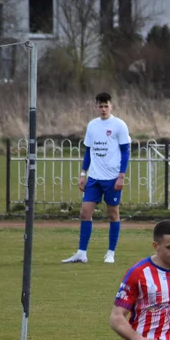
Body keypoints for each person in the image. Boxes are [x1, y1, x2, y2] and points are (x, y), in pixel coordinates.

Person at [62, 92, 131, 265]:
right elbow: (88, 151)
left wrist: (121, 176)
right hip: (94, 177)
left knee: (113, 214)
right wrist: (83, 174)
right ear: (96, 107)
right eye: (100, 106)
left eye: (106, 106)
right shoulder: (92, 125)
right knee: (85, 213)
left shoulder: (119, 125)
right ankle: (81, 253)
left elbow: (125, 152)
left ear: (111, 106)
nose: (103, 109)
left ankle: (110, 253)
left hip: (112, 178)